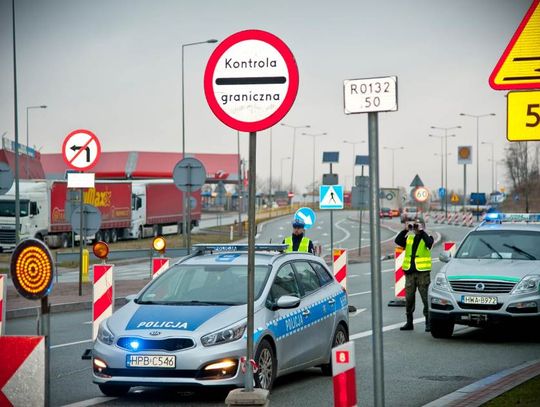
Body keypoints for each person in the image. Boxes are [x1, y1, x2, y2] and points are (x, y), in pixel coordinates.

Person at [394, 219, 434, 332]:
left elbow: (429, 244)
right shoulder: (410, 238)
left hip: (422, 274)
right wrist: (405, 230)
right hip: (410, 273)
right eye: (414, 226)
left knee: (426, 299)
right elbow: (398, 241)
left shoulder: (428, 237)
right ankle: (409, 322)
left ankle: (428, 322)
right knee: (409, 299)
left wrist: (422, 232)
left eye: (417, 226)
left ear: (423, 227)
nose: (415, 228)